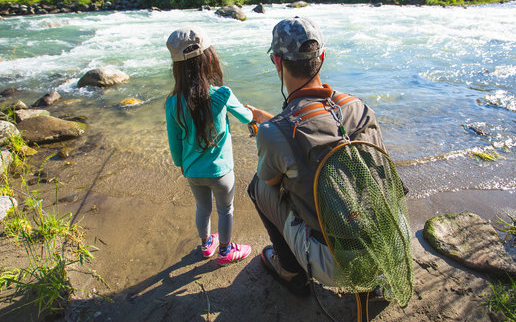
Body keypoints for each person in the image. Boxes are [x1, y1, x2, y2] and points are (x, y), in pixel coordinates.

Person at [246, 17, 388, 295]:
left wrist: (268, 130)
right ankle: (377, 283)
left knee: (259, 185)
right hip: (388, 244)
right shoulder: (358, 107)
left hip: (334, 263)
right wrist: (275, 126)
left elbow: (273, 183)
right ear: (321, 57)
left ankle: (289, 269)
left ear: (277, 61)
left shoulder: (273, 132)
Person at [165, 26, 252, 266]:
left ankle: (206, 245)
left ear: (176, 67)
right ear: (209, 58)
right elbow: (246, 118)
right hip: (221, 172)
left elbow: (174, 144)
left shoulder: (173, 103)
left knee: (202, 209)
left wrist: (180, 165)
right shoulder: (222, 94)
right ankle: (225, 250)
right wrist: (251, 112)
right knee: (226, 210)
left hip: (192, 171)